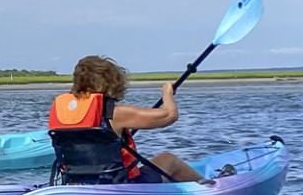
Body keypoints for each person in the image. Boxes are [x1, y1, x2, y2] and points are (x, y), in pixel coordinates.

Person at [47, 55, 202, 183]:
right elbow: (169, 116)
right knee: (168, 160)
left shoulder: (61, 112)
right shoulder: (116, 114)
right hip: (119, 184)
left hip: (76, 182)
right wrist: (167, 93)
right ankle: (209, 188)